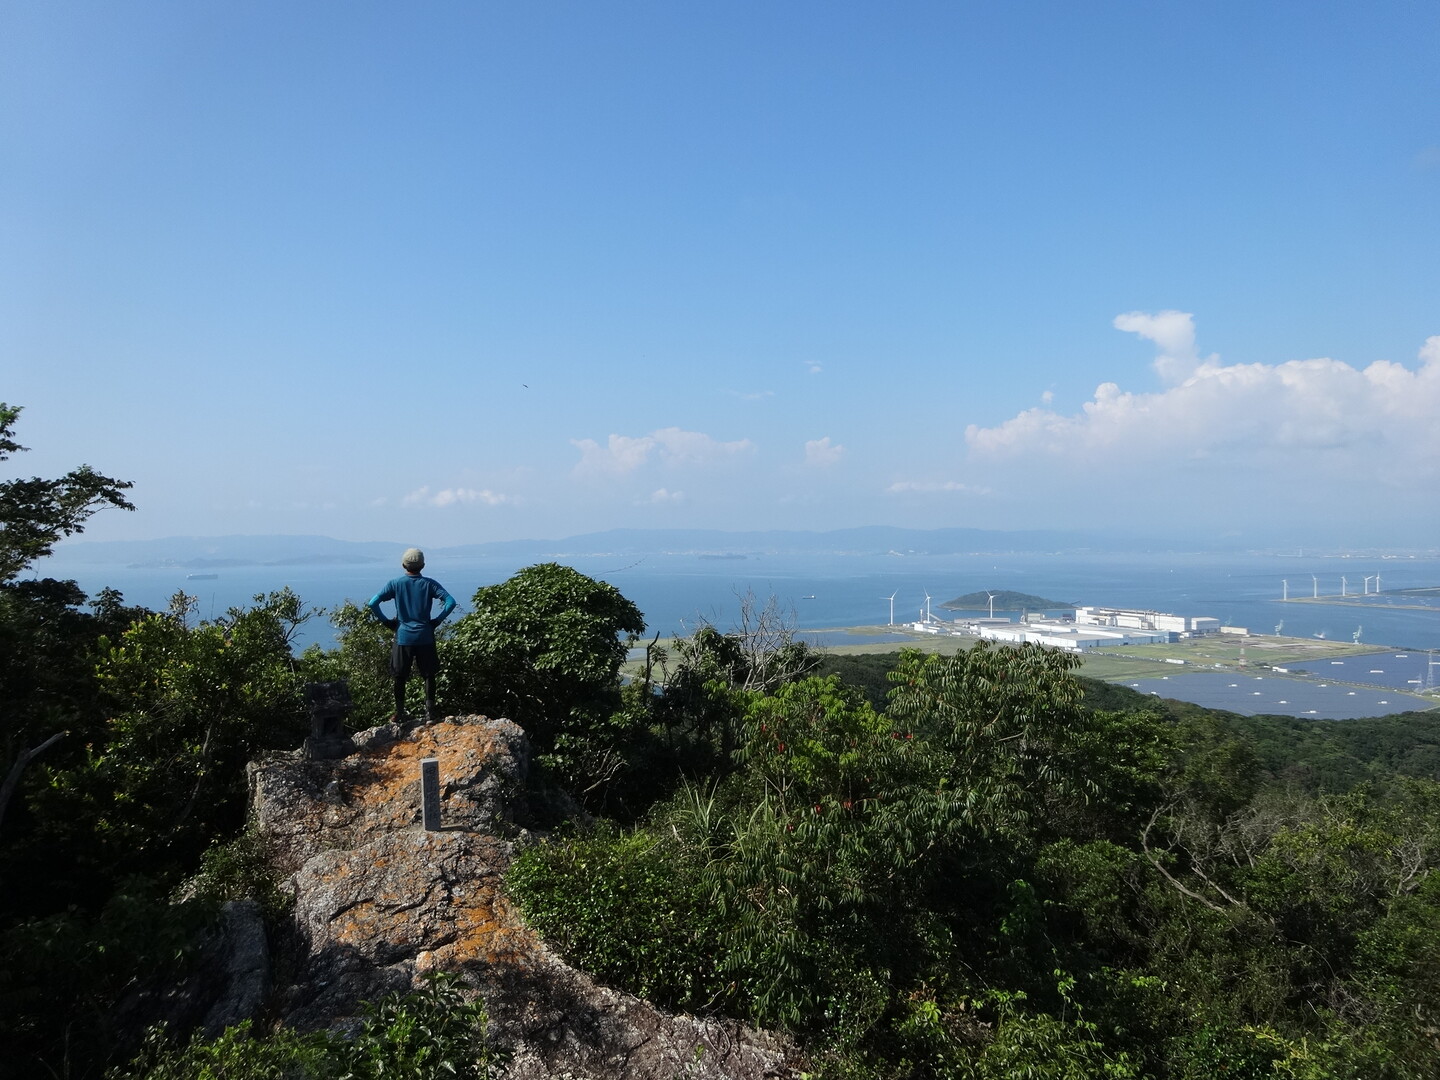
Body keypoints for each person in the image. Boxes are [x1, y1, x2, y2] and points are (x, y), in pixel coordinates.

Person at [368, 547, 456, 724]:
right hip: (425, 636)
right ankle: (430, 714)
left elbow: (373, 603)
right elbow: (450, 602)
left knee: (400, 676)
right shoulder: (429, 584)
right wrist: (436, 621)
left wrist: (387, 622)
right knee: (429, 675)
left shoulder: (395, 584)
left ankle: (400, 713)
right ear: (423, 565)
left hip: (403, 637)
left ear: (403, 565)